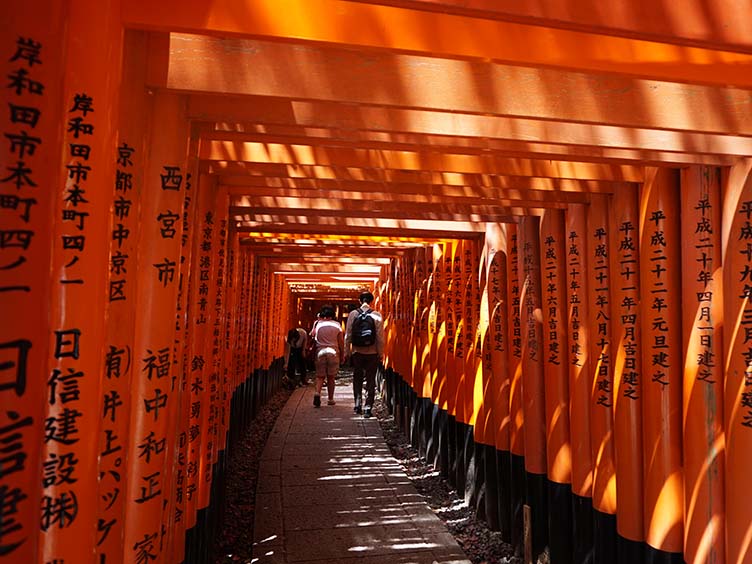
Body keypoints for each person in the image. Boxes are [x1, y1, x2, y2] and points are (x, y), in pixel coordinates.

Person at [345, 291, 384, 418]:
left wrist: (347, 352)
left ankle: (357, 404)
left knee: (357, 378)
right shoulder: (376, 315)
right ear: (372, 301)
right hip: (372, 352)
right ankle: (368, 407)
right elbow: (380, 337)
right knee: (370, 379)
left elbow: (348, 335)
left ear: (360, 301)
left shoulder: (353, 314)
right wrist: (381, 353)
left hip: (357, 351)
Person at [309, 305, 344, 408]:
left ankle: (317, 393)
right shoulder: (337, 325)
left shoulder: (318, 324)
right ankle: (330, 399)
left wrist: (317, 321)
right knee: (331, 377)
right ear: (333, 315)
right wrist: (342, 354)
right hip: (333, 351)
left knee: (320, 376)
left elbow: (312, 335)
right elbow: (341, 342)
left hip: (320, 351)